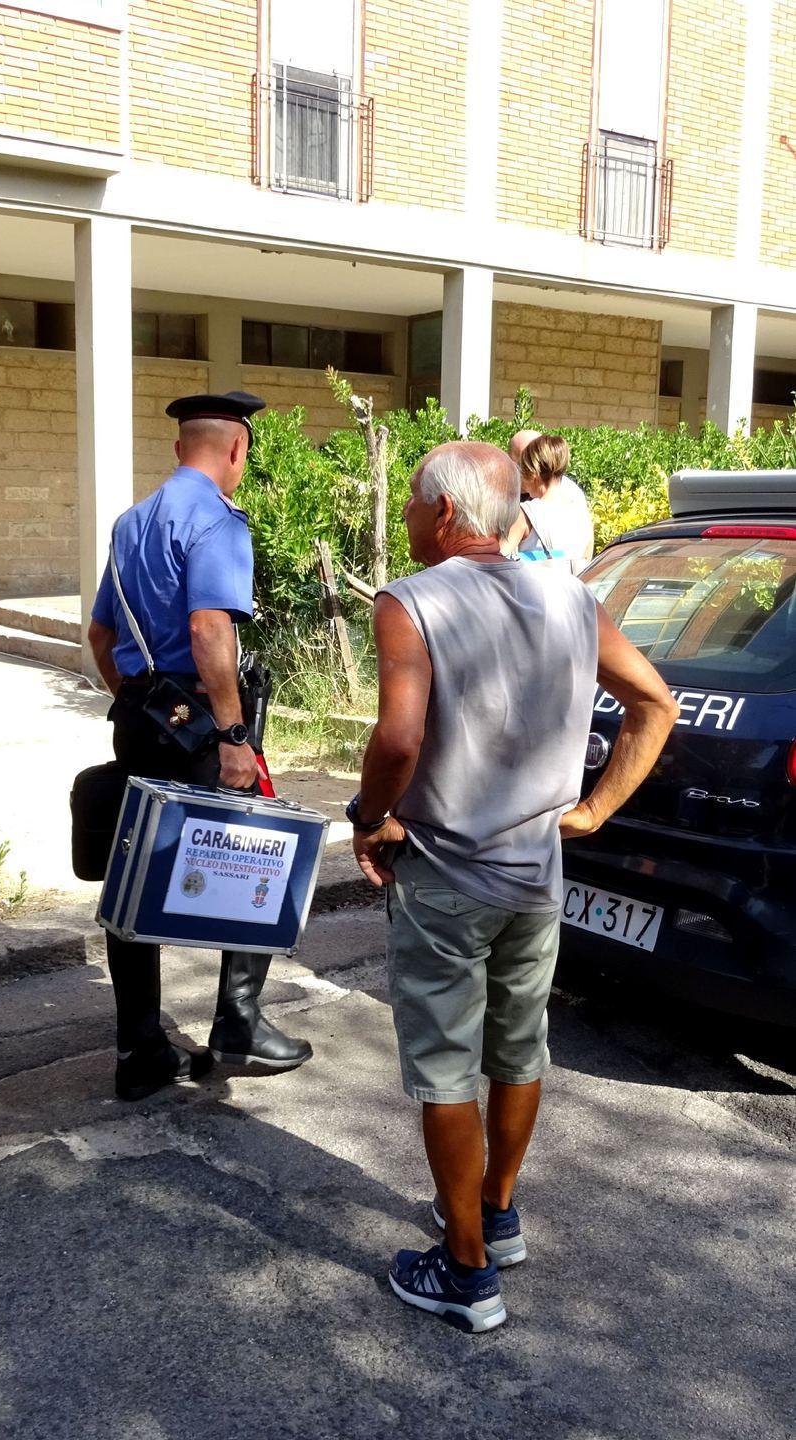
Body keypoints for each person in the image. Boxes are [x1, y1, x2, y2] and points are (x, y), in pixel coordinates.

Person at [348, 441, 676, 1332]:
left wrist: (366, 815)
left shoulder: (410, 602)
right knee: (519, 1049)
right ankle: (497, 1214)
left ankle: (464, 1274)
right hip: (537, 876)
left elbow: (398, 741)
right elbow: (655, 703)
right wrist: (594, 811)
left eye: (416, 503)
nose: (410, 517)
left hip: (447, 878)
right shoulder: (571, 595)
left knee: (446, 1069)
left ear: (446, 514)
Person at [87, 390, 312, 1102]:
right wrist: (233, 734)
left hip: (139, 716)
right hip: (198, 723)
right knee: (257, 851)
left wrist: (133, 697)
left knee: (135, 872)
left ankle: (139, 1048)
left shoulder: (131, 523)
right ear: (236, 449)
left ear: (180, 448)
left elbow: (99, 636)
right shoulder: (215, 517)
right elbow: (209, 630)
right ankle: (237, 1025)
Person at [505, 431, 594, 573]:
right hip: (573, 592)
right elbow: (587, 556)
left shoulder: (526, 513)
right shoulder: (579, 510)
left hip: (535, 594)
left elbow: (498, 560)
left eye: (521, 468)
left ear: (532, 472)